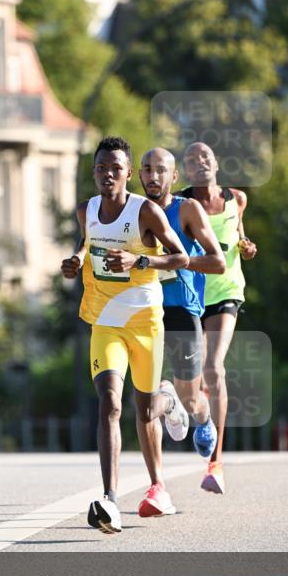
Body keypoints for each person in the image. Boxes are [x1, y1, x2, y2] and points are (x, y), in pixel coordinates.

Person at [61, 136, 190, 535]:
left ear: (128, 173)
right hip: (105, 322)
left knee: (146, 410)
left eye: (116, 168)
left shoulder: (146, 211)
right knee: (110, 403)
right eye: (101, 168)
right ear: (94, 172)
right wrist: (76, 260)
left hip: (146, 321)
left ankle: (169, 401)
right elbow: (87, 242)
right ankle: (110, 499)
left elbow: (181, 256)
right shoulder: (86, 210)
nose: (108, 175)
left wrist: (140, 260)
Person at [139, 148, 226, 511]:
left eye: (161, 170)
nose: (153, 176)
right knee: (144, 400)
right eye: (147, 169)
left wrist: (174, 260)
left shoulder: (187, 209)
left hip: (181, 310)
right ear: (139, 176)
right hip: (143, 311)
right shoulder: (133, 210)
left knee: (191, 398)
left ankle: (200, 416)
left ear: (173, 177)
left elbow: (218, 262)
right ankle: (157, 487)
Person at [179, 142, 258, 494]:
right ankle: (199, 417)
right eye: (192, 160)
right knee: (190, 382)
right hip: (190, 296)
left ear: (216, 164)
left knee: (214, 368)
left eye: (205, 158)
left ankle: (216, 463)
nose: (200, 163)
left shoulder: (236, 199)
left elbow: (240, 236)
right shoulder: (180, 204)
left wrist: (246, 246)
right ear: (185, 171)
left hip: (226, 292)